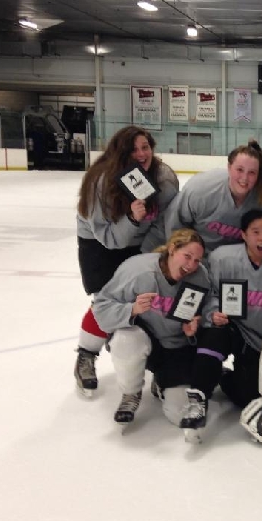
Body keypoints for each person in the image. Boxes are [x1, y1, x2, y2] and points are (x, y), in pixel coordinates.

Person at [74, 125, 179, 397]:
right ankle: (86, 354)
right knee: (108, 300)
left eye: (146, 147)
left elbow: (164, 223)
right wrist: (132, 218)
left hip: (143, 242)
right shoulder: (100, 182)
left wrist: (144, 255)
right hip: (100, 244)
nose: (142, 154)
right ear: (120, 153)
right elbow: (110, 239)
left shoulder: (164, 179)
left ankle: (160, 365)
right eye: (133, 150)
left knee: (148, 300)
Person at [91, 229, 212, 440]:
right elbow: (101, 307)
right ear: (172, 249)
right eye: (187, 256)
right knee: (126, 339)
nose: (191, 265)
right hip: (144, 338)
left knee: (179, 414)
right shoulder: (138, 271)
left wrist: (195, 327)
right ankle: (131, 392)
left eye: (197, 260)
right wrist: (132, 310)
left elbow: (205, 311)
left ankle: (162, 383)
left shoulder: (199, 277)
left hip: (175, 347)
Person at [191, 210, 262, 410]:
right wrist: (213, 313)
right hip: (238, 331)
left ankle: (226, 376)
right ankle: (198, 396)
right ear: (243, 235)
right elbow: (212, 294)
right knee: (214, 333)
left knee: (247, 396)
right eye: (255, 232)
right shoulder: (223, 258)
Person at [164, 139, 262, 252]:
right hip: (197, 255)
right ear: (229, 167)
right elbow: (175, 223)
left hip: (237, 257)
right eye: (240, 170)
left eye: (252, 172)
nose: (245, 178)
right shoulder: (201, 190)